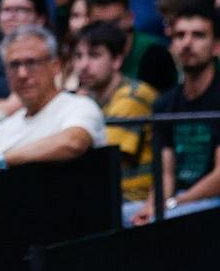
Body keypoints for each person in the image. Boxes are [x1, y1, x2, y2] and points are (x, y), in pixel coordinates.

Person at [133, 7, 220, 221]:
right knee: (120, 220)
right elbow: (166, 175)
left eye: (198, 35)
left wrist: (172, 205)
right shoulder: (164, 104)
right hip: (181, 202)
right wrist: (152, 207)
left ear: (217, 47)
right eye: (180, 36)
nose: (187, 43)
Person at [0, 26, 106, 171]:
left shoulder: (79, 107)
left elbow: (74, 142)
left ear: (55, 66)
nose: (22, 74)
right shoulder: (0, 132)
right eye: (14, 65)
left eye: (31, 63)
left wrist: (4, 160)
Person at [69, 22, 163, 205]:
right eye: (78, 56)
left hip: (134, 201)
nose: (83, 65)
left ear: (117, 60)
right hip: (103, 199)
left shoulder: (134, 96)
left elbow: (103, 159)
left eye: (94, 55)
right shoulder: (84, 99)